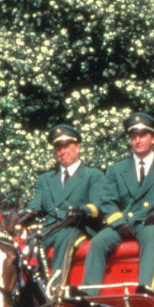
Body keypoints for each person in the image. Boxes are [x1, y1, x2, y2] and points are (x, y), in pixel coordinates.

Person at [83, 111, 154, 294]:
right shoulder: (117, 169)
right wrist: (119, 223)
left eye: (143, 136)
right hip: (124, 222)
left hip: (150, 222)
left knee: (150, 237)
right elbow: (107, 201)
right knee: (98, 241)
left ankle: (145, 289)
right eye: (134, 136)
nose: (138, 141)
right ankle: (89, 293)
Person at [23, 123, 103, 290]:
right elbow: (36, 204)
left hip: (77, 226)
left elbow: (99, 204)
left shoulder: (92, 175)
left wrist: (84, 210)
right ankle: (28, 288)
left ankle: (55, 288)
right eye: (58, 148)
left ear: (77, 148)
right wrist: (23, 216)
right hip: (50, 226)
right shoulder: (46, 179)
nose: (62, 152)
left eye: (66, 146)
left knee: (64, 237)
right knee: (30, 243)